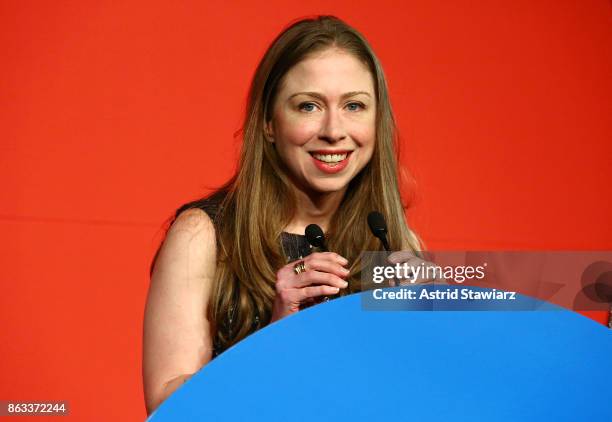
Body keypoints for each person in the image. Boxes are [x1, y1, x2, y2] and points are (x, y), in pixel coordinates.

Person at [142, 15, 422, 415]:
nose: (334, 130)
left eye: (354, 106)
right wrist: (274, 339)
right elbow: (169, 408)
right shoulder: (204, 235)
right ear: (270, 123)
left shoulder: (396, 244)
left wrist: (433, 338)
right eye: (309, 105)